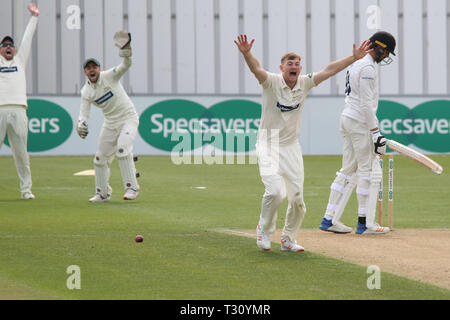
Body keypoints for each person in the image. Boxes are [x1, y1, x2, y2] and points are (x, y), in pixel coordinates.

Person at [234, 34, 373, 252]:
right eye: (290, 64)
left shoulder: (305, 82)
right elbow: (256, 70)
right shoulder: (271, 82)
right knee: (275, 192)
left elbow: (328, 70)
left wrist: (353, 58)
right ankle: (264, 229)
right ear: (282, 68)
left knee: (298, 199)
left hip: (291, 147)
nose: (294, 67)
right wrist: (246, 53)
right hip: (268, 145)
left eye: (297, 64)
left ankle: (288, 239)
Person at [319, 31, 396, 235]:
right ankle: (365, 224)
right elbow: (365, 104)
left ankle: (328, 219)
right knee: (367, 171)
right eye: (386, 51)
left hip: (347, 119)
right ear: (378, 47)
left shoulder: (357, 62)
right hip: (359, 123)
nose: (386, 56)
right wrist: (375, 132)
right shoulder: (368, 66)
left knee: (347, 169)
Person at [77, 30, 140, 202]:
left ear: (99, 69)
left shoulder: (109, 76)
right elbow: (84, 112)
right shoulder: (86, 91)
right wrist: (81, 124)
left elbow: (126, 65)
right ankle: (102, 193)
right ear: (85, 72)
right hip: (111, 123)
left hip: (128, 118)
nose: (92, 70)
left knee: (122, 149)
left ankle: (132, 188)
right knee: (99, 158)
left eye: (94, 67)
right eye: (88, 68)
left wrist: (126, 51)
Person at [0, 3, 39, 200]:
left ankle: (26, 190)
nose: (9, 47)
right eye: (5, 45)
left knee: (22, 154)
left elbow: (27, 39)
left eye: (10, 45)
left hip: (19, 110)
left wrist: (34, 18)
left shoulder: (20, 60)